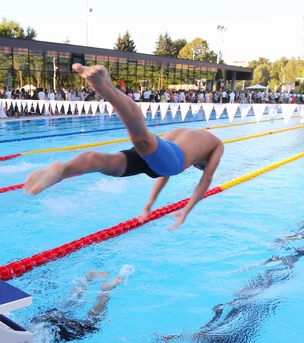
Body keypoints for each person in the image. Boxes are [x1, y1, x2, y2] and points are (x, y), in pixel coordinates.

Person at [23, 64, 225, 231]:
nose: (198, 167)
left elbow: (162, 172)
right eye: (199, 166)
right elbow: (205, 179)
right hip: (170, 161)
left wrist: (148, 205)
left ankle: (62, 170)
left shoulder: (187, 133)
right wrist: (186, 210)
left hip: (160, 159)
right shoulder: (217, 144)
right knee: (142, 137)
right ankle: (106, 89)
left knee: (104, 162)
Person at [28, 270, 123, 343]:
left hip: (48, 330)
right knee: (68, 305)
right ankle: (87, 278)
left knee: (91, 324)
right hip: (37, 321)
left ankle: (105, 293)